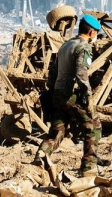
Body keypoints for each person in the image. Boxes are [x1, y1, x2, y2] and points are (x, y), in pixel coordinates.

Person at [34, 14, 102, 177]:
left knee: (58, 130)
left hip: (57, 93)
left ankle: (41, 156)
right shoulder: (83, 46)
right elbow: (81, 73)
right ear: (92, 32)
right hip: (70, 93)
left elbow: (53, 72)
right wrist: (88, 96)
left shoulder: (65, 45)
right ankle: (88, 167)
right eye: (96, 34)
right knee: (93, 126)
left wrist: (53, 91)